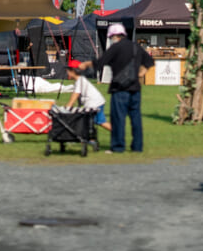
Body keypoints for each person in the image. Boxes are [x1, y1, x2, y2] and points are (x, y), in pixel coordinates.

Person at [77, 23, 154, 154]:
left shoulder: (115, 48)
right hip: (135, 88)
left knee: (118, 119)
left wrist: (86, 64)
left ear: (113, 36)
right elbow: (149, 62)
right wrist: (141, 72)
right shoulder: (136, 47)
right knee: (136, 119)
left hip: (119, 89)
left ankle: (118, 147)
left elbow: (100, 63)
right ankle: (137, 147)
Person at [65, 60, 112, 133]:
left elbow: (73, 97)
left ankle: (118, 132)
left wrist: (66, 109)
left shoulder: (80, 82)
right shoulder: (81, 80)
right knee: (90, 121)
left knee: (99, 121)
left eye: (68, 70)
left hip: (95, 103)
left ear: (73, 71)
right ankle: (88, 138)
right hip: (96, 102)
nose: (67, 72)